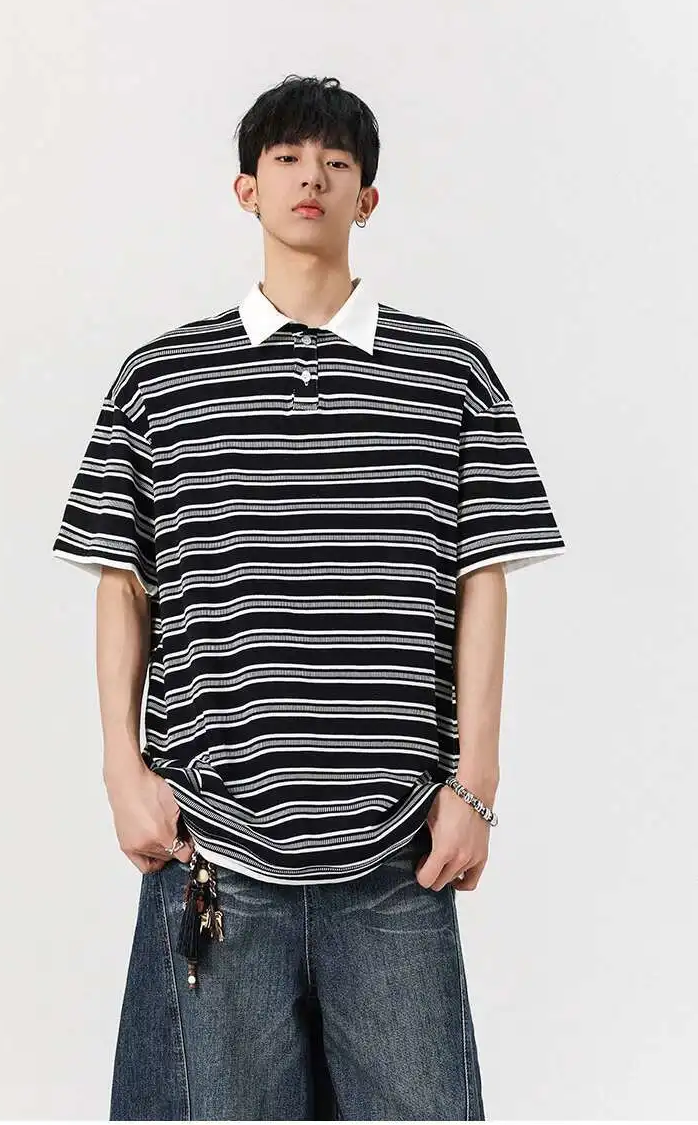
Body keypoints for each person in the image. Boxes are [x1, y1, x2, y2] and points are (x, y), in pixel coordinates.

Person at [52, 73, 566, 1121]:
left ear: (365, 198)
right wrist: (120, 768)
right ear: (245, 188)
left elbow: (481, 577)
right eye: (286, 158)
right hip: (213, 839)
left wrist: (475, 784)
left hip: (398, 850)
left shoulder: (450, 374)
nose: (311, 178)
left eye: (336, 163)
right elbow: (122, 579)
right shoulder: (162, 379)